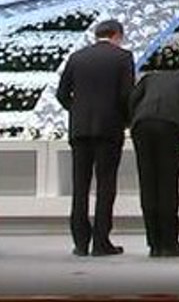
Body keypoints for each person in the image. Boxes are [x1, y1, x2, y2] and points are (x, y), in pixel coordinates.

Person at [57, 19, 135, 256]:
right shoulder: (123, 57)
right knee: (105, 185)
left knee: (80, 186)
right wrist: (124, 120)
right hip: (109, 129)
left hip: (79, 130)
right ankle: (101, 241)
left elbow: (62, 93)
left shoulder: (77, 57)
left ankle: (80, 242)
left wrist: (77, 111)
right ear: (117, 35)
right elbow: (126, 95)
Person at [128, 68, 179, 257]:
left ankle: (154, 244)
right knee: (168, 183)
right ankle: (169, 243)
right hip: (171, 126)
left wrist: (134, 119)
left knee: (148, 183)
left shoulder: (150, 77)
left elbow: (133, 98)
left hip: (142, 125)